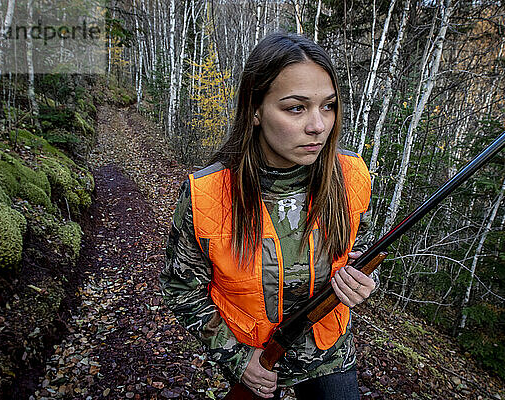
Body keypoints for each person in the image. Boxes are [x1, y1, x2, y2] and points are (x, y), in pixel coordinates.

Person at [160, 32, 380, 400]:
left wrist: (363, 279)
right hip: (257, 358)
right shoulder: (207, 194)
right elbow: (181, 287)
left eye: (328, 106)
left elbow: (358, 249)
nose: (318, 125)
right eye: (296, 108)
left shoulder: (351, 175)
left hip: (329, 350)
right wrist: (236, 356)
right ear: (256, 109)